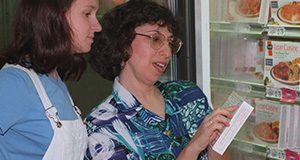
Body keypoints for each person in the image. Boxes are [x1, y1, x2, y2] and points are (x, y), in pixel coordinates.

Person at [85, 0, 236, 159]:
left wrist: (217, 141)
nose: (167, 52)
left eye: (170, 43)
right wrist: (193, 148)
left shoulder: (187, 95)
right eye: (156, 39)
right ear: (122, 43)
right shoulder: (102, 128)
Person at [0, 0, 101, 159]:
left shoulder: (54, 79)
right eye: (87, 14)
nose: (98, 26)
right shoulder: (14, 82)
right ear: (54, 16)